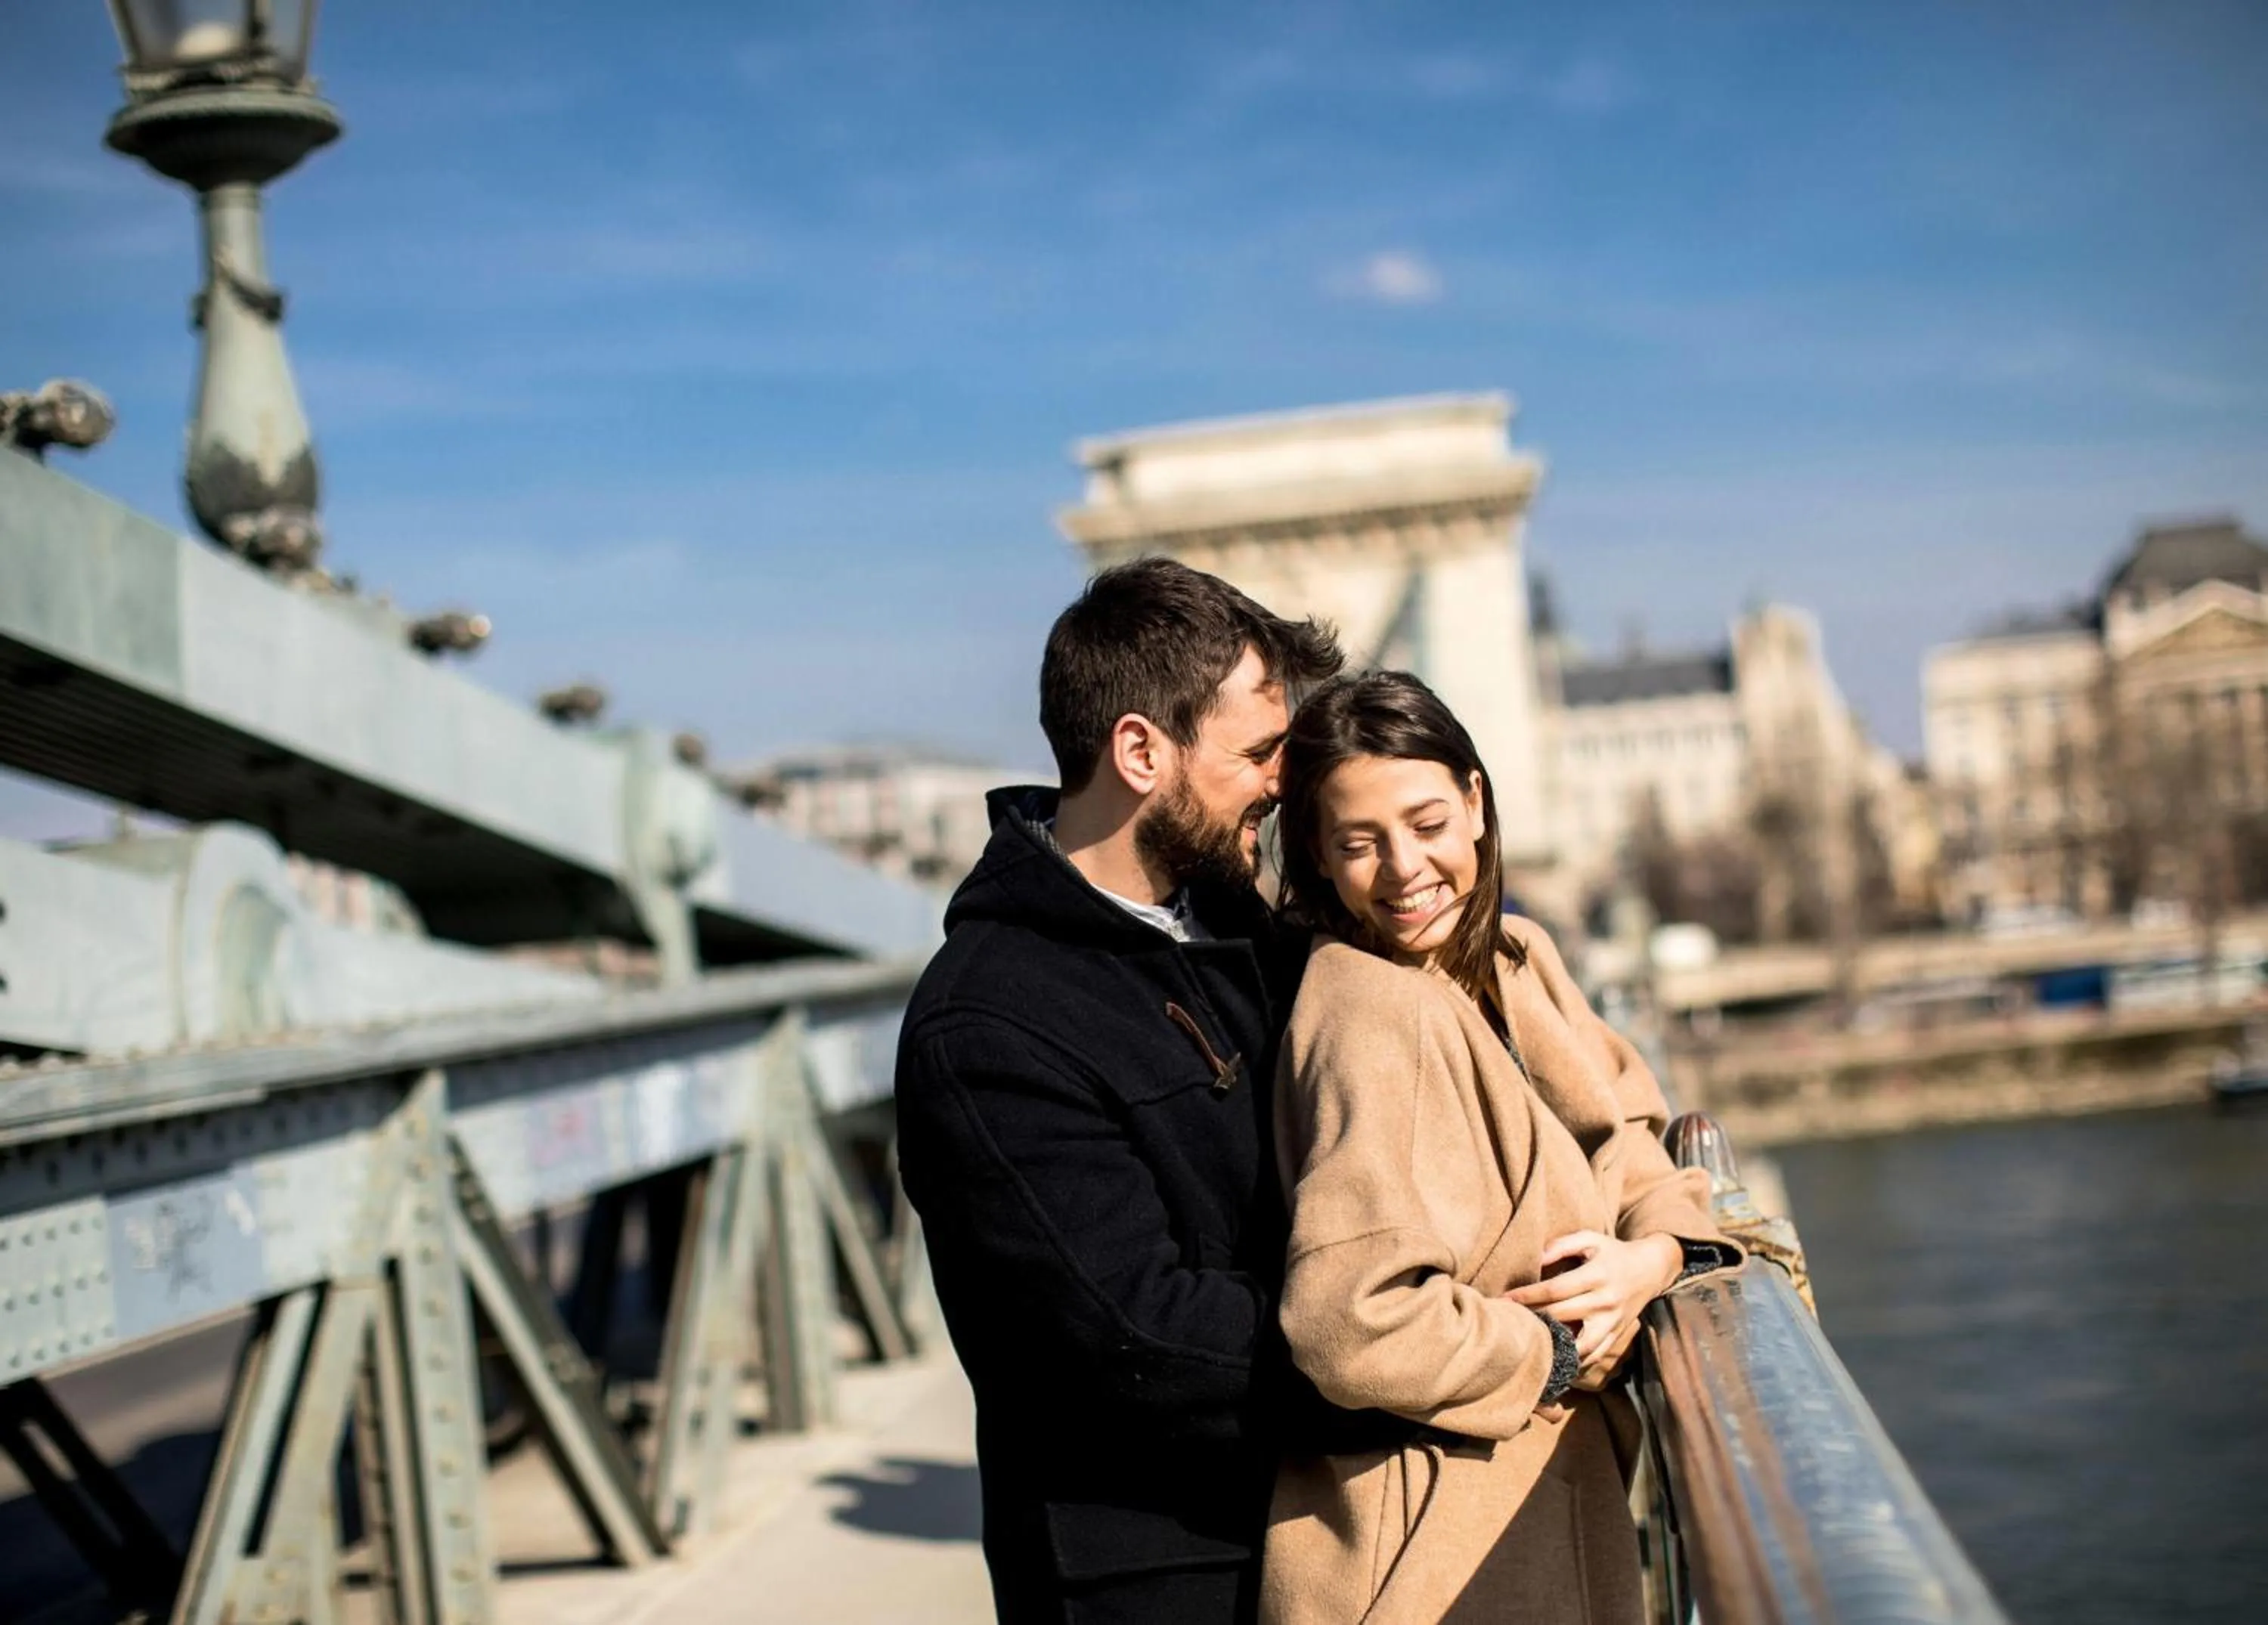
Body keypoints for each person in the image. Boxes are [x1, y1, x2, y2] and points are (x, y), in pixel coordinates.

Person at [897, 559, 1385, 1623]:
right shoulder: (987, 1023)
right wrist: (1418, 1347)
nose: (1281, 783)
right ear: (1138, 750)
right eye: (1260, 752)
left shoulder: (1253, 938)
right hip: (1157, 1583)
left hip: (1321, 1536)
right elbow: (1141, 1333)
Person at [1259, 670, 1742, 1625]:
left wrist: (1653, 1258)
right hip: (1429, 1545)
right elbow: (1347, 1316)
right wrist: (1557, 1352)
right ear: (1317, 854)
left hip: (1530, 1507)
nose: (1403, 869)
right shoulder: (1366, 1007)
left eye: (1428, 822)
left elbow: (1638, 1144)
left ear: (1477, 803)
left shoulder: (1519, 957)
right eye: (1359, 842)